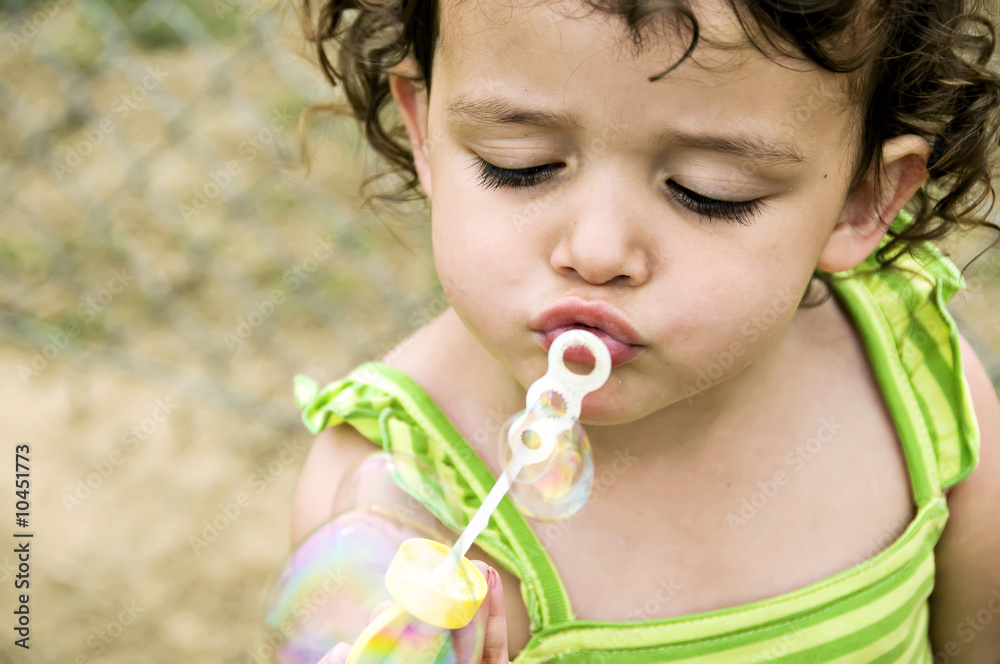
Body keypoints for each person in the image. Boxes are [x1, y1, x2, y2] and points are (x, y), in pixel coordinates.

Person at [289, 0, 1000, 660]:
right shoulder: (395, 511)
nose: (596, 253)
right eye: (520, 164)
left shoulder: (915, 383)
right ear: (424, 129)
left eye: (708, 191)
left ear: (859, 199)